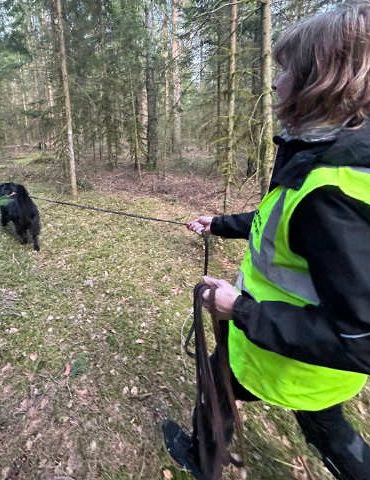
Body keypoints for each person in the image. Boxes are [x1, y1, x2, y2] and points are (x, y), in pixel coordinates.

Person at [164, 4, 370, 479]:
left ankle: (202, 460)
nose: (275, 84)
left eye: (287, 70)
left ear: (325, 80)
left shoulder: (334, 192)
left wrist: (240, 309)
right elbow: (283, 224)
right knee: (328, 429)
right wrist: (219, 222)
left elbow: (361, 340)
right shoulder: (338, 164)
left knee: (217, 389)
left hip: (280, 358)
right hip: (317, 375)